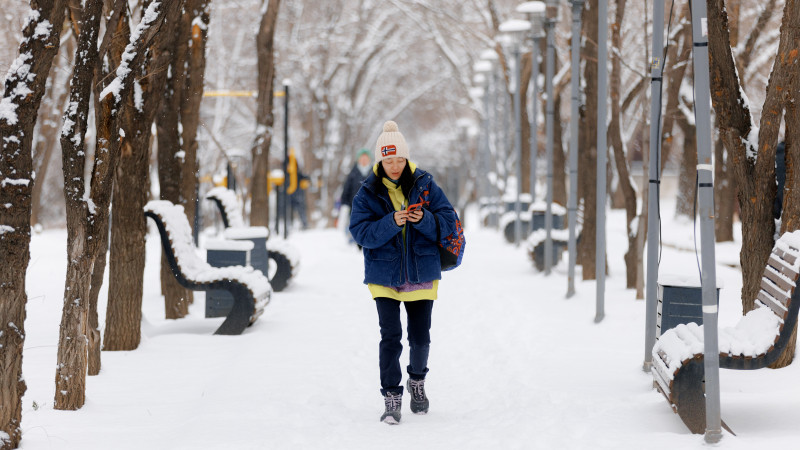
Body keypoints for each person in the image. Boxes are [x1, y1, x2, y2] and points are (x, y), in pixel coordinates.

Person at [349, 120, 458, 425]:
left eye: (399, 159)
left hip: (422, 272)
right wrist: (392, 222)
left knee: (420, 338)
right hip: (384, 275)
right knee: (391, 336)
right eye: (388, 161)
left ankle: (417, 380)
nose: (394, 166)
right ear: (379, 162)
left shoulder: (425, 184)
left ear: (406, 158)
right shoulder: (367, 192)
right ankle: (391, 396)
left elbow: (448, 221)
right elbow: (360, 232)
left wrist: (423, 219)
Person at [340, 148, 372, 242]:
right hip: (354, 204)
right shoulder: (353, 172)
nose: (364, 160)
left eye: (366, 158)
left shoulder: (374, 172)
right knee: (354, 222)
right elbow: (346, 188)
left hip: (370, 204)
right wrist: (344, 202)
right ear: (358, 159)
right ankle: (352, 239)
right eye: (362, 158)